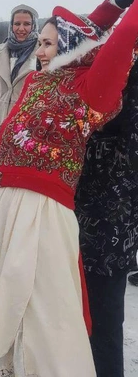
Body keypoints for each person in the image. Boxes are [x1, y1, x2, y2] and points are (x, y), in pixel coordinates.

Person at [0, 0, 138, 377]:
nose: (40, 50)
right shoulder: (40, 80)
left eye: (47, 44)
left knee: (43, 316)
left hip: (48, 210)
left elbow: (114, 45)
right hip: (5, 205)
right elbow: (82, 32)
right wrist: (111, 4)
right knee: (4, 305)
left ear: (70, 50)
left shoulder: (91, 88)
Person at [75, 19, 138, 377]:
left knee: (104, 322)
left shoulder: (120, 100)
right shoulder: (103, 87)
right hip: (84, 221)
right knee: (88, 319)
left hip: (111, 229)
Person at [0, 5, 39, 148]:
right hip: (1, 126)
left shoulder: (42, 53)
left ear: (34, 25)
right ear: (11, 25)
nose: (21, 28)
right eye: (17, 24)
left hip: (31, 130)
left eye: (27, 24)